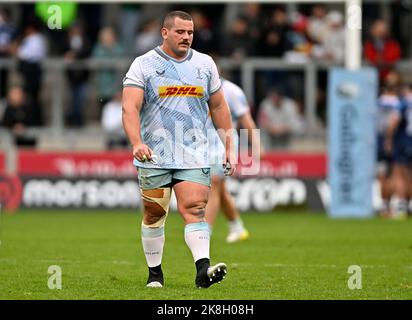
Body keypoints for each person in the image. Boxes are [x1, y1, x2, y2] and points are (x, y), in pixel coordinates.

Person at [122, 11, 236, 288]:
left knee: (195, 209)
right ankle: (155, 275)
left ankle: (202, 271)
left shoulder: (205, 64)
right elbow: (130, 108)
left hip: (194, 152)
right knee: (154, 214)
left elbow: (219, 106)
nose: (186, 37)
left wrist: (229, 146)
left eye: (190, 32)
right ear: (164, 32)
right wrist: (137, 142)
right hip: (155, 153)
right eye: (180, 32)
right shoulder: (144, 64)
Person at [205, 78, 262, 243]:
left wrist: (257, 145)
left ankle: (204, 232)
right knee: (220, 188)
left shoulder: (232, 91)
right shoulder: (194, 86)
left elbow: (246, 119)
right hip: (202, 143)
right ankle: (237, 227)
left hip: (224, 143)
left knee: (213, 182)